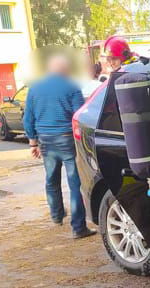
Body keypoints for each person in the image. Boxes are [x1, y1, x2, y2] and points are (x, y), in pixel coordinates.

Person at [23, 54, 96, 239]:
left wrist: (33, 142)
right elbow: (80, 115)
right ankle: (78, 228)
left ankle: (56, 215)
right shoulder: (71, 87)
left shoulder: (35, 88)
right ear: (65, 70)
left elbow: (28, 117)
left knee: (51, 179)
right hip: (67, 139)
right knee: (75, 184)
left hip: (45, 140)